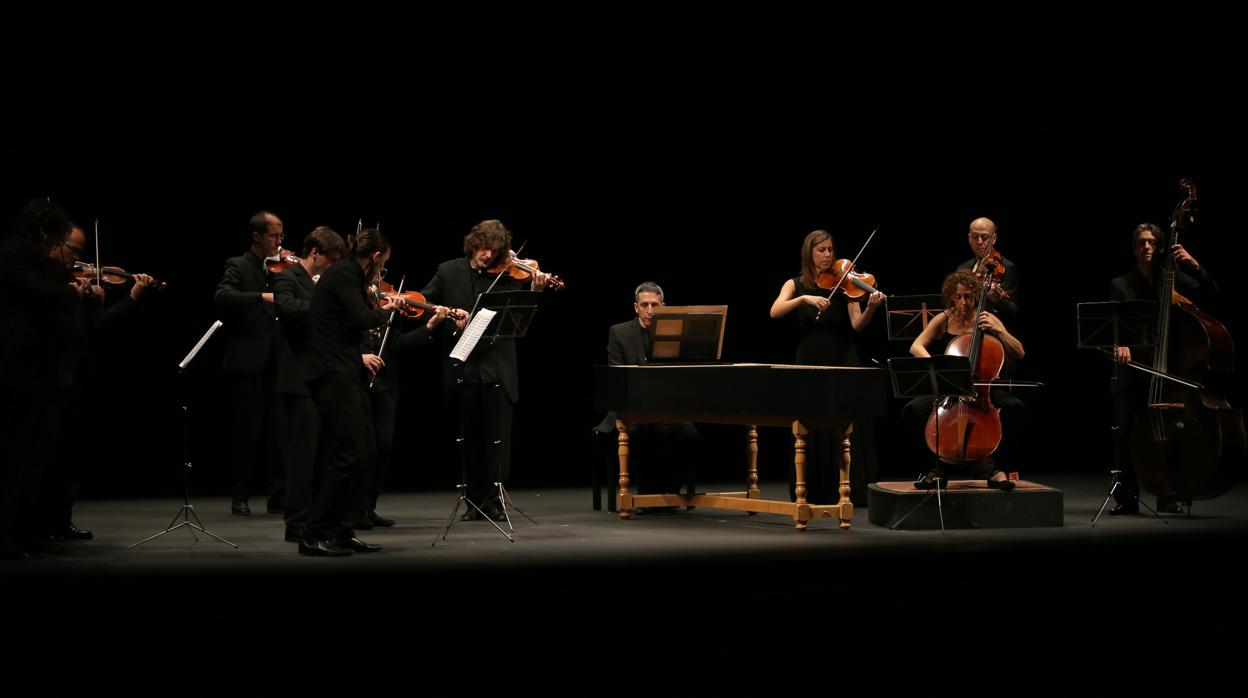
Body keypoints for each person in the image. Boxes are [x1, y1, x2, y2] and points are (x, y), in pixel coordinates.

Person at [301, 228, 432, 556]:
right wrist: (390, 309)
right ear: (375, 257)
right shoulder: (346, 273)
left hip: (346, 370)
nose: (381, 270)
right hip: (331, 372)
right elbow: (361, 318)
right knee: (350, 454)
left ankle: (342, 530)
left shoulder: (348, 275)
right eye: (382, 263)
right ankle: (315, 532)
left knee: (365, 452)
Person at [420, 219, 551, 522]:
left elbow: (521, 313)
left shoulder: (506, 275)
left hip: (498, 368)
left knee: (498, 441)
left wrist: (535, 287)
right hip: (464, 366)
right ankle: (474, 502)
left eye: (494, 251)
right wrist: (447, 317)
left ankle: (494, 501)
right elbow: (426, 302)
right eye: (482, 249)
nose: (487, 256)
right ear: (472, 244)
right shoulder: (448, 271)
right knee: (470, 440)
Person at [38, 222, 154, 542]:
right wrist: (127, 297)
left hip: (79, 380)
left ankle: (61, 520)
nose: (81, 264)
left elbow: (93, 330)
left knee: (73, 456)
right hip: (51, 381)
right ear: (53, 245)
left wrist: (91, 301)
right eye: (73, 251)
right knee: (49, 459)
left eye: (81, 254)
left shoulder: (81, 288)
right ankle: (39, 524)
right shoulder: (46, 285)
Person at [1107, 222, 1217, 514]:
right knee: (1126, 435)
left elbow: (1211, 294)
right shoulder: (1121, 285)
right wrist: (1121, 345)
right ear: (1134, 248)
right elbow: (1113, 326)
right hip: (1134, 370)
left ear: (1160, 248)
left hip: (1170, 370)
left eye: (1153, 243)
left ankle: (1168, 494)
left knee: (1171, 431)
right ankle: (1127, 499)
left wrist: (1195, 265)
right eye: (1142, 242)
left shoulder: (1173, 278)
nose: (1147, 247)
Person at [769, 229, 883, 505]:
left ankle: (850, 489)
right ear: (809, 253)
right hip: (809, 359)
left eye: (831, 250)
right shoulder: (795, 284)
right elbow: (775, 311)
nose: (828, 255)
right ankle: (814, 489)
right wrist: (804, 299)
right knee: (810, 422)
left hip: (843, 358)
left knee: (846, 425)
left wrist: (870, 308)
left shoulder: (845, 285)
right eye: (822, 250)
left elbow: (857, 325)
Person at [1, 198, 82, 559]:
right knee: (15, 457)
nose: (55, 250)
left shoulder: (30, 254)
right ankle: (7, 533)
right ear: (43, 232)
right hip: (18, 364)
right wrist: (70, 291)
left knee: (35, 456)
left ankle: (24, 529)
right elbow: (41, 293)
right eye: (54, 242)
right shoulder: (16, 253)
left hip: (38, 368)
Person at [901, 269, 1026, 490]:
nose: (964, 302)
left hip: (983, 388)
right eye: (958, 297)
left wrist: (999, 330)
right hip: (950, 389)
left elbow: (1019, 352)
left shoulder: (987, 318)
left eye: (968, 296)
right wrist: (938, 367)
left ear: (976, 295)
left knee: (1015, 408)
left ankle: (997, 468)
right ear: (951, 296)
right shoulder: (945, 318)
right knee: (913, 409)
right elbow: (916, 346)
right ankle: (934, 467)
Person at [272, 226, 346, 542]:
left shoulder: (323, 282)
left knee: (324, 455)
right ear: (314, 253)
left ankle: (319, 520)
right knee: (303, 456)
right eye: (329, 259)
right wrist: (327, 309)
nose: (332, 266)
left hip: (323, 376)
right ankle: (296, 522)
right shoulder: (287, 278)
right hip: (299, 378)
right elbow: (287, 308)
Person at [596, 282, 699, 510]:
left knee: (687, 433)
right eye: (645, 305)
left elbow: (685, 374)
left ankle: (668, 494)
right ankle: (646, 496)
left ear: (664, 306)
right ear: (636, 307)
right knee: (638, 431)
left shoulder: (676, 332)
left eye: (655, 304)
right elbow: (616, 377)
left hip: (667, 408)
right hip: (632, 408)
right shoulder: (619, 332)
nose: (650, 310)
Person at [213, 211, 286, 515]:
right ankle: (240, 495)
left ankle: (278, 495)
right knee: (247, 431)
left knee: (279, 431)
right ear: (256, 236)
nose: (280, 242)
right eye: (274, 236)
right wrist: (261, 296)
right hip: (248, 362)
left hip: (279, 361)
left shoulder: (282, 268)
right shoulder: (238, 264)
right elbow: (223, 296)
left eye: (281, 236)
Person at [956, 217, 1020, 322]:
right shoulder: (962, 268)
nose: (980, 242)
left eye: (985, 237)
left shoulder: (1006, 267)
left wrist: (998, 299)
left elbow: (1014, 311)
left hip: (993, 332)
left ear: (994, 239)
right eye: (975, 237)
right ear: (969, 239)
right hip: (966, 330)